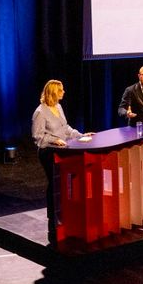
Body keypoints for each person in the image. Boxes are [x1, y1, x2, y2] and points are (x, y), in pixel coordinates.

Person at [32, 79, 83, 223]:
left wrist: (80, 135)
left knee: (64, 183)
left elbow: (65, 128)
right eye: (61, 90)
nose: (64, 92)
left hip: (62, 150)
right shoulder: (40, 112)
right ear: (54, 93)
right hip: (48, 152)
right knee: (55, 182)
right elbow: (37, 136)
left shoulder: (58, 107)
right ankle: (53, 215)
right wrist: (54, 140)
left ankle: (65, 213)